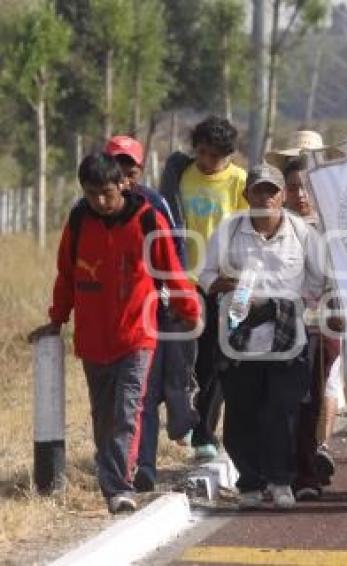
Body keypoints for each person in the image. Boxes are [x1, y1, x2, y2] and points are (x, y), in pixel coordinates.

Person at [29, 153, 201, 514]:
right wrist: (57, 319)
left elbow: (170, 269)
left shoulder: (148, 219)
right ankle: (115, 473)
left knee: (128, 409)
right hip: (93, 339)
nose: (100, 201)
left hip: (137, 334)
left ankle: (118, 486)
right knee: (104, 414)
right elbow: (67, 276)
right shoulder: (79, 221)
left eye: (106, 192)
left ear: (123, 184)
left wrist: (189, 311)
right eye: (92, 194)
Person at [197, 164, 324, 510]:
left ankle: (281, 481)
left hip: (288, 336)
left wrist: (296, 303)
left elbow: (319, 278)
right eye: (258, 191)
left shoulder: (302, 233)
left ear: (282, 196)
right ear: (246, 194)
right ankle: (250, 483)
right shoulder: (228, 230)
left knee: (282, 410)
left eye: (272, 191)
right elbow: (205, 274)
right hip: (239, 335)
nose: (265, 198)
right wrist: (228, 285)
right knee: (241, 411)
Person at [102, 135, 198, 492]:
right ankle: (118, 460)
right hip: (107, 317)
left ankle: (143, 464)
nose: (124, 176)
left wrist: (178, 301)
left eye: (130, 168)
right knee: (115, 397)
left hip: (150, 311)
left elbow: (175, 253)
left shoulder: (153, 204)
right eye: (117, 167)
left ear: (140, 170)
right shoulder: (89, 209)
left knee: (143, 390)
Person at [160, 116, 248, 461]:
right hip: (187, 280)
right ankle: (184, 417)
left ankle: (204, 434)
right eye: (202, 152)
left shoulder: (239, 182)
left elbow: (246, 231)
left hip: (223, 283)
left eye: (215, 156)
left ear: (228, 156)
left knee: (215, 359)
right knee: (185, 357)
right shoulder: (180, 174)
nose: (207, 161)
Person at [267, 141, 340, 500]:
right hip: (276, 329)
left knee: (310, 402)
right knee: (280, 403)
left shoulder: (335, 228)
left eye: (307, 186)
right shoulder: (272, 226)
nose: (301, 194)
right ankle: (278, 473)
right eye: (293, 187)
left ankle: (306, 475)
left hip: (318, 329)